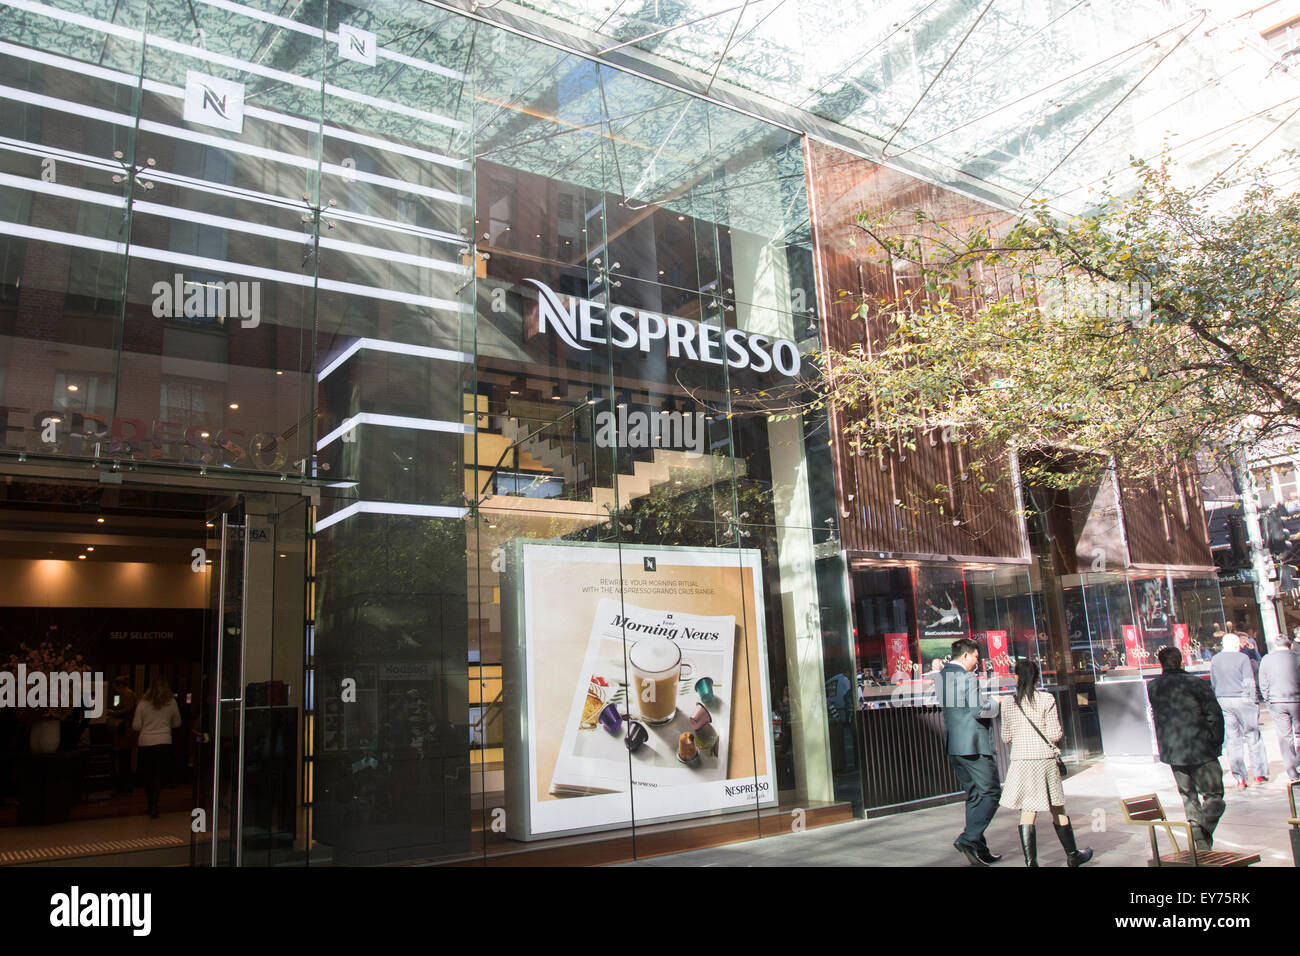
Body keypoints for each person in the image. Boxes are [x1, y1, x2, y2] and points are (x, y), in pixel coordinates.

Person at [998, 659, 1092, 867]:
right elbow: (1054, 733)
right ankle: (1073, 855)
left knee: (1028, 811)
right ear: (1037, 677)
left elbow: (1005, 736)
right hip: (1044, 761)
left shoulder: (1007, 703)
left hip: (1021, 761)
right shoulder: (1046, 699)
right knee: (1057, 807)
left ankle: (1031, 862)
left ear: (1015, 677)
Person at [1148, 646, 1226, 851]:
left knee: (1188, 797)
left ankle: (1200, 845)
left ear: (1161, 664)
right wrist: (1215, 742)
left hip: (1174, 751)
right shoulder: (1196, 684)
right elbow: (1214, 714)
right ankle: (1202, 835)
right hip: (1201, 748)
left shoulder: (1154, 686)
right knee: (1214, 797)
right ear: (1181, 662)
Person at [935, 637, 1002, 866]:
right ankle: (968, 839)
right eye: (976, 656)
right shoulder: (968, 677)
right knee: (992, 793)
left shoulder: (942, 676)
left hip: (955, 745)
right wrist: (996, 702)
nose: (977, 661)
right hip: (974, 746)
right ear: (965, 655)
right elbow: (978, 710)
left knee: (974, 795)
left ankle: (979, 849)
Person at [1211, 633, 1269, 786]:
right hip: (1242, 699)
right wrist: (1253, 701)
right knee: (1252, 735)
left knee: (1232, 738)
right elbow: (1249, 681)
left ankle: (1240, 777)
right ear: (1236, 645)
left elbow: (1213, 682)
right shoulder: (1242, 658)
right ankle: (1259, 773)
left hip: (1223, 699)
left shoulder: (1215, 659)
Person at [132, 676, 181, 819]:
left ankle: (150, 803)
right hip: (164, 741)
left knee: (148, 774)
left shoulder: (143, 703)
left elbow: (136, 726)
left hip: (146, 742)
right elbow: (177, 723)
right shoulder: (171, 702)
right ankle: (155, 803)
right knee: (159, 774)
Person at [1259, 633, 1300, 782]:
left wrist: (1268, 699)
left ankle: (1291, 771)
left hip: (1277, 702)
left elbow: (1263, 682)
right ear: (1289, 645)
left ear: (1275, 645)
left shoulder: (1266, 660)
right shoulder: (1296, 658)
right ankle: (1298, 762)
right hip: (1296, 699)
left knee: (1285, 737)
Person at [104, 676, 138, 795]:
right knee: (125, 759)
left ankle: (124, 787)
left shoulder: (127, 694)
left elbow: (127, 709)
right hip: (126, 730)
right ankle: (125, 787)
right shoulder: (129, 694)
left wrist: (113, 712)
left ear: (119, 685)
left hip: (125, 731)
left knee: (124, 760)